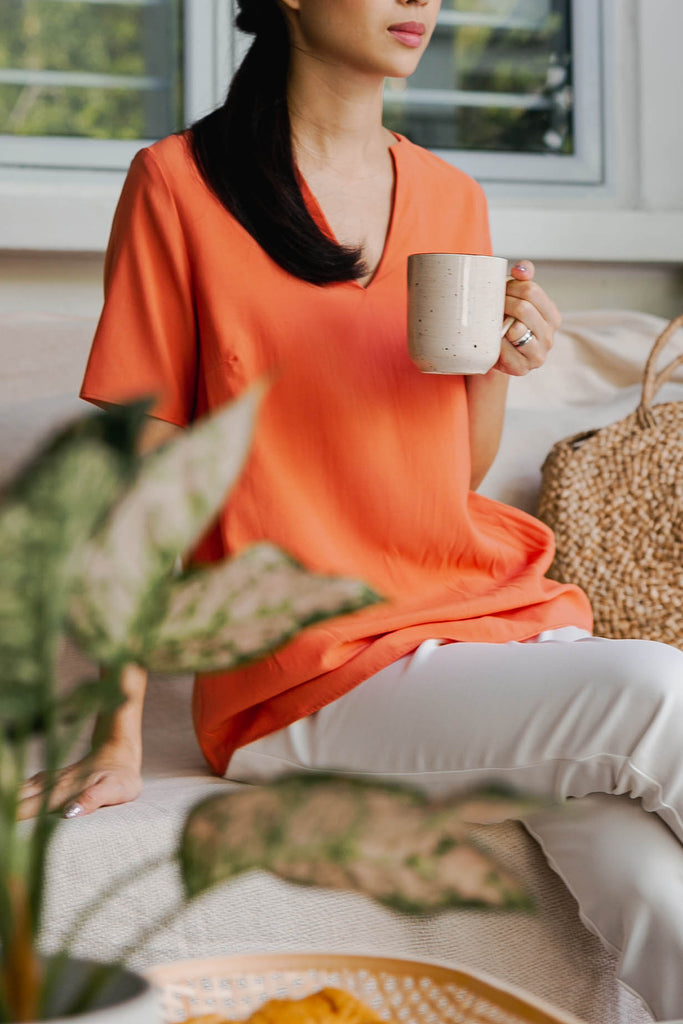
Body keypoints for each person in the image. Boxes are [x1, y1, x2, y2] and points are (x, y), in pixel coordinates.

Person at [19, 0, 683, 1018]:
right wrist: (114, 733)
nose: (422, 0)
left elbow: (445, 472)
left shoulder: (451, 196)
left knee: (649, 888)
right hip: (302, 673)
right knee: (653, 689)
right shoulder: (179, 188)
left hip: (466, 622)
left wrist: (506, 365)